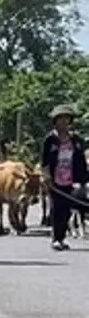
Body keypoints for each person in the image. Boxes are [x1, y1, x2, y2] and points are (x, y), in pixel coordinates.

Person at [41, 104, 89, 251]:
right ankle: (56, 238)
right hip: (55, 178)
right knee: (57, 208)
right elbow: (44, 160)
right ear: (55, 122)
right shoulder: (50, 140)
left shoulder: (76, 140)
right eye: (60, 120)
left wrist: (83, 179)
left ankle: (62, 238)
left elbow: (80, 160)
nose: (64, 123)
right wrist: (46, 176)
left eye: (67, 120)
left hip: (71, 178)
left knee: (68, 209)